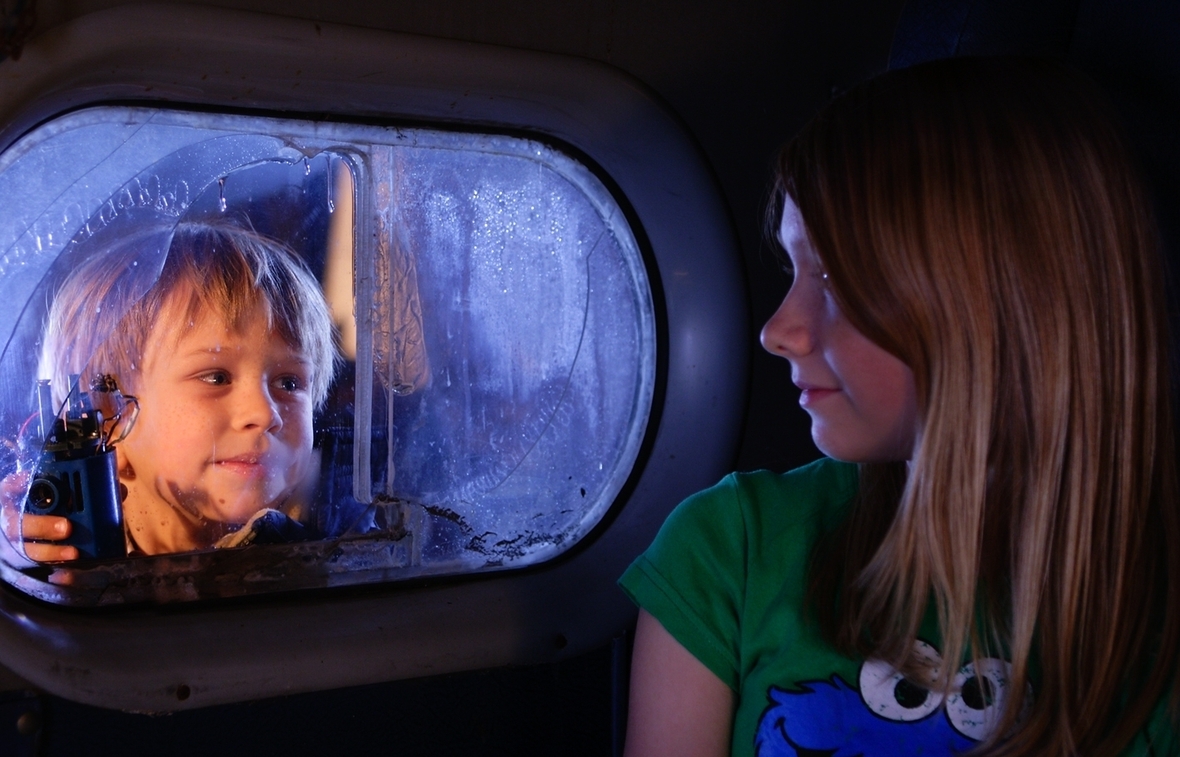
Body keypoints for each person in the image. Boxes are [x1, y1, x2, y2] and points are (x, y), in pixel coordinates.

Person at [620, 57, 1180, 756]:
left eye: (833, 276)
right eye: (796, 269)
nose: (778, 330)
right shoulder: (727, 551)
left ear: (998, 307)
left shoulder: (1155, 620)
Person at [17, 219, 338, 559]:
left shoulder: (336, 546)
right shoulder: (57, 571)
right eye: (216, 377)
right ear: (108, 419)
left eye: (289, 383)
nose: (264, 413)